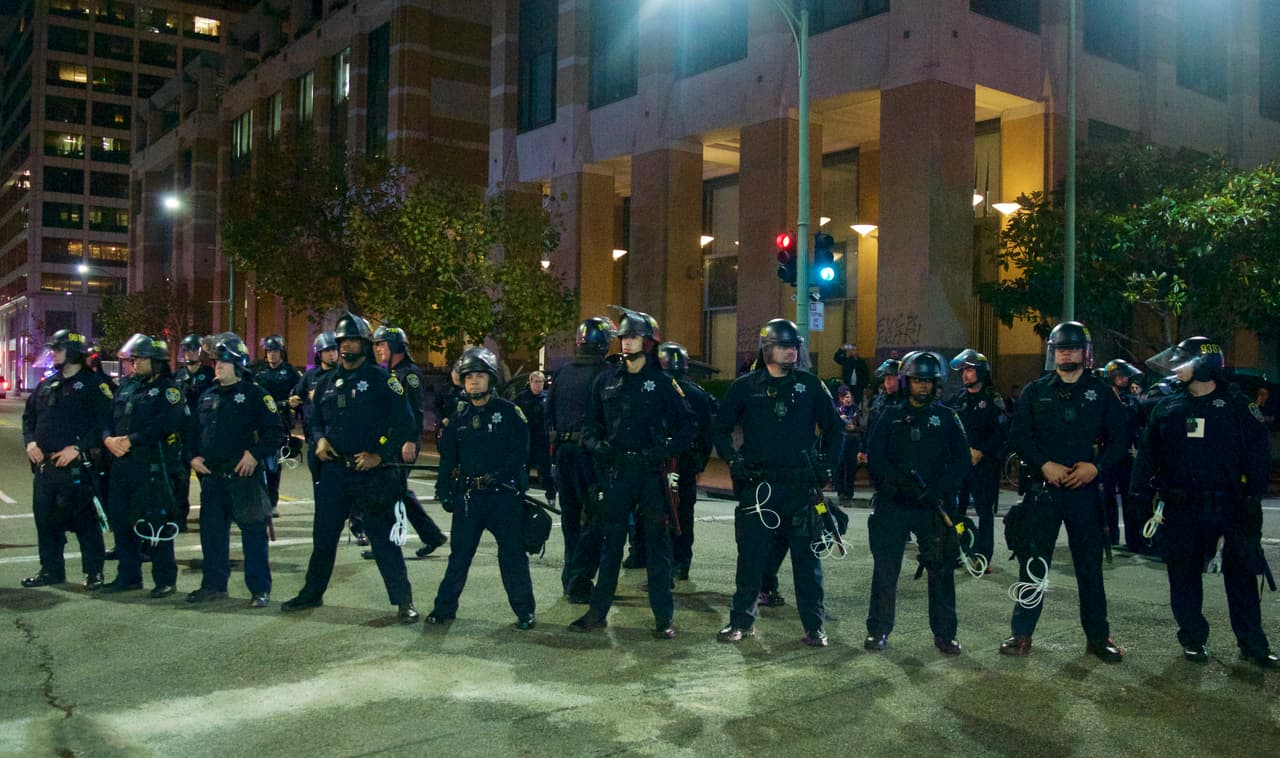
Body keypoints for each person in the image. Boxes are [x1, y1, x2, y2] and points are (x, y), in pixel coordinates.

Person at [1131, 337, 1279, 667]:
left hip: (1231, 507)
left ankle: (1252, 644)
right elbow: (1147, 455)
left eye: (1183, 362)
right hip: (1182, 507)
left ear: (1205, 366)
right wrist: (1139, 495)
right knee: (1183, 576)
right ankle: (1193, 638)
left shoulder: (1239, 407)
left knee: (1241, 579)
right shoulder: (1168, 407)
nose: (1176, 369)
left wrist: (1252, 498)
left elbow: (1258, 456)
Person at [999, 321, 1128, 662]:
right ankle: (1021, 633)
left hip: (1084, 492)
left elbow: (1121, 439)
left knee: (1089, 567)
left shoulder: (1101, 392)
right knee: (1033, 564)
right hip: (1044, 490)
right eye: (1060, 347)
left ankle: (1098, 638)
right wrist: (1044, 464)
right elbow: (1019, 437)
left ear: (1085, 353)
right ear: (1052, 351)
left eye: (1072, 347)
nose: (1066, 352)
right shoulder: (1035, 391)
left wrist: (1095, 467)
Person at [281, 313, 419, 623]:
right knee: (324, 539)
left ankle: (403, 601)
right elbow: (313, 417)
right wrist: (317, 440)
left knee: (383, 540)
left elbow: (404, 423)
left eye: (353, 341)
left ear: (366, 345)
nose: (346, 347)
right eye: (342, 341)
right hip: (334, 472)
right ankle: (311, 594)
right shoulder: (326, 381)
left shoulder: (383, 381)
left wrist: (379, 454)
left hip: (370, 473)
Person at [713, 319, 843, 646]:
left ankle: (814, 627)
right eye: (784, 346)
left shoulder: (810, 387)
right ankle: (741, 622)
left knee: (807, 562)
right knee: (751, 559)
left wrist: (826, 466)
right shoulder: (745, 387)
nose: (791, 352)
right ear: (767, 348)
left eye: (794, 346)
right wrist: (734, 460)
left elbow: (835, 430)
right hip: (759, 487)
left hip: (799, 488)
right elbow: (719, 428)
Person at [568, 307, 694, 639]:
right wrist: (597, 446)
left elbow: (687, 428)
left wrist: (663, 452)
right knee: (610, 544)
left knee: (658, 546)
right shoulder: (605, 380)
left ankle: (664, 618)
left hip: (651, 474)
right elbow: (590, 425)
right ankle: (597, 612)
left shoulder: (663, 383)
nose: (625, 343)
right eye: (623, 337)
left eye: (633, 337)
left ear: (649, 342)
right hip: (617, 473)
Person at [866, 351, 970, 654]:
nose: (922, 386)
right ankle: (878, 629)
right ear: (906, 381)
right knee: (886, 570)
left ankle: (945, 634)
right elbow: (876, 457)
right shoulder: (889, 414)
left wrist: (938, 489)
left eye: (928, 381)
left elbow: (961, 461)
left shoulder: (947, 417)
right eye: (916, 380)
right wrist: (897, 486)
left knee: (941, 571)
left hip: (932, 505)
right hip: (893, 504)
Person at [425, 347, 535, 630]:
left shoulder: (511, 414)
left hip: (503, 498)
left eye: (479, 376)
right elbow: (448, 457)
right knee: (459, 558)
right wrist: (444, 488)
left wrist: (498, 476)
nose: (473, 381)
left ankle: (525, 612)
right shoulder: (457, 418)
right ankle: (444, 609)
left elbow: (520, 455)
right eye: (468, 376)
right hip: (469, 499)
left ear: (491, 379)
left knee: (512, 557)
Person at [186, 334, 282, 607]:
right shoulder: (207, 396)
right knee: (212, 535)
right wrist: (191, 457)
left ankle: (259, 590)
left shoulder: (255, 395)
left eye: (224, 360)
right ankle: (214, 586)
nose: (218, 365)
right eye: (217, 360)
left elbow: (275, 433)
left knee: (253, 535)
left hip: (244, 478)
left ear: (238, 364)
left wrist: (254, 454)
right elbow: (192, 433)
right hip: (213, 479)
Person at [20, 329, 112, 590]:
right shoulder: (48, 384)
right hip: (46, 467)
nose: (54, 353)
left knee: (84, 521)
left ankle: (94, 572)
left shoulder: (94, 386)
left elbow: (105, 424)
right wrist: (31, 443)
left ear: (73, 353)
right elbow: (29, 419)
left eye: (58, 349)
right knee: (45, 519)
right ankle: (51, 570)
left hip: (76, 467)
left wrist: (78, 447)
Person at [100, 333, 187, 598]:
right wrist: (108, 439)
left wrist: (132, 440)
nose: (133, 363)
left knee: (155, 524)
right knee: (122, 521)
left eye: (139, 358)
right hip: (122, 465)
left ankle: (165, 579)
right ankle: (128, 576)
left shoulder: (168, 390)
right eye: (133, 358)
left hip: (151, 465)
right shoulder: (126, 386)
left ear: (156, 361)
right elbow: (107, 417)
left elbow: (166, 424)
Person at [549, 316, 616, 603]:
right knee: (595, 519)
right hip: (590, 455)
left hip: (563, 453)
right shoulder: (605, 373)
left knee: (571, 517)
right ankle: (580, 580)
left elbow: (547, 415)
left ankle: (570, 576)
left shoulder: (562, 373)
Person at [370, 324, 449, 560]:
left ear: (395, 346)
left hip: (403, 442)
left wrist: (409, 441)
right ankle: (432, 536)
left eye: (382, 344)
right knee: (397, 491)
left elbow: (414, 411)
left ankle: (386, 543)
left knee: (387, 491)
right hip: (390, 441)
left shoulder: (410, 374)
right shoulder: (389, 374)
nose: (378, 349)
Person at [657, 341, 716, 580]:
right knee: (684, 511)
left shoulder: (658, 389)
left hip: (661, 460)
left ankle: (664, 562)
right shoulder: (697, 393)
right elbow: (707, 431)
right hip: (687, 461)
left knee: (660, 512)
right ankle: (682, 562)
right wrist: (699, 462)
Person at [945, 348, 1007, 568]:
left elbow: (1001, 432)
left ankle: (983, 555)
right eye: (962, 371)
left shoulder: (992, 399)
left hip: (985, 466)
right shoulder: (957, 399)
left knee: (984, 512)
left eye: (969, 370)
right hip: (961, 465)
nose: (965, 374)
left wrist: (981, 451)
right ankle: (959, 548)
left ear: (980, 372)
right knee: (956, 510)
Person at [1101, 359, 1147, 553]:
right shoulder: (1102, 397)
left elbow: (1136, 420)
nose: (1125, 379)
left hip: (1127, 454)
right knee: (1107, 497)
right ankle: (1109, 536)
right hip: (1107, 453)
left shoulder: (1130, 399)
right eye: (1121, 376)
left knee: (1130, 498)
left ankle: (1134, 540)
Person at [173, 334, 215, 532]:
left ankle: (211, 516)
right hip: (182, 433)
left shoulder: (209, 374)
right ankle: (180, 518)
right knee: (180, 480)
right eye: (186, 349)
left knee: (206, 478)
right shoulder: (178, 376)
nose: (189, 352)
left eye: (193, 349)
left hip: (202, 432)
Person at [254, 335, 299, 516]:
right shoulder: (259, 372)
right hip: (261, 423)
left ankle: (272, 502)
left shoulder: (290, 372)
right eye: (269, 351)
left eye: (275, 351)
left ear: (282, 352)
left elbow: (298, 395)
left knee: (274, 465)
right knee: (259, 465)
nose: (272, 355)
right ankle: (261, 499)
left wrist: (291, 403)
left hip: (280, 422)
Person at [514, 370, 555, 504]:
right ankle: (521, 496)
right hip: (526, 438)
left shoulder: (547, 397)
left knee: (546, 470)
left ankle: (551, 496)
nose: (538, 385)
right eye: (536, 382)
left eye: (541, 382)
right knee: (524, 468)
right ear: (530, 382)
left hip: (542, 438)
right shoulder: (522, 398)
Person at [833, 384, 862, 503]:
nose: (848, 399)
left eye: (850, 397)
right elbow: (833, 427)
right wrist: (841, 422)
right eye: (846, 397)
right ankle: (840, 492)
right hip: (841, 442)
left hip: (853, 441)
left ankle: (849, 492)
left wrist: (854, 426)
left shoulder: (856, 410)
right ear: (840, 398)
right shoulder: (837, 410)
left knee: (851, 467)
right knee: (839, 467)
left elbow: (861, 426)